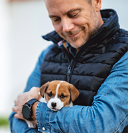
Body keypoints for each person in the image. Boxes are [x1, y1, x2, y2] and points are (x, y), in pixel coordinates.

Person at [9, 0, 128, 132]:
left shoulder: (124, 53)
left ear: (96, 3)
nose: (66, 28)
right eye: (56, 19)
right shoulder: (47, 54)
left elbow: (100, 123)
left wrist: (34, 111)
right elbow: (16, 115)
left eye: (74, 14)